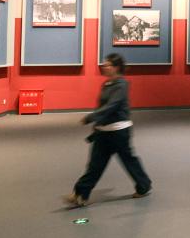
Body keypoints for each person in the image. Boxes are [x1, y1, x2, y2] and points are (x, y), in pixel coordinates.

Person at [65, 53, 152, 207]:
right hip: (103, 132)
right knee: (95, 165)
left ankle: (144, 185)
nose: (104, 67)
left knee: (129, 161)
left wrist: (91, 117)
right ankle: (80, 194)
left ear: (116, 68)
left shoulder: (122, 85)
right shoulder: (107, 84)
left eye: (107, 65)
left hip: (119, 132)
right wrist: (97, 125)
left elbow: (112, 106)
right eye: (104, 64)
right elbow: (102, 107)